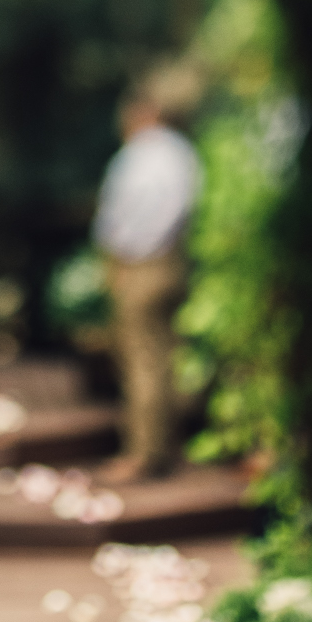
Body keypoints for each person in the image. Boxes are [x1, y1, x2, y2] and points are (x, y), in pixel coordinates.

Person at [93, 62, 203, 483]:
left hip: (140, 264)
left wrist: (118, 262)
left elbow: (117, 217)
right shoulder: (183, 153)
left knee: (141, 361)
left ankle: (145, 452)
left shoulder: (136, 154)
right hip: (174, 260)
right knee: (167, 356)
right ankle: (168, 443)